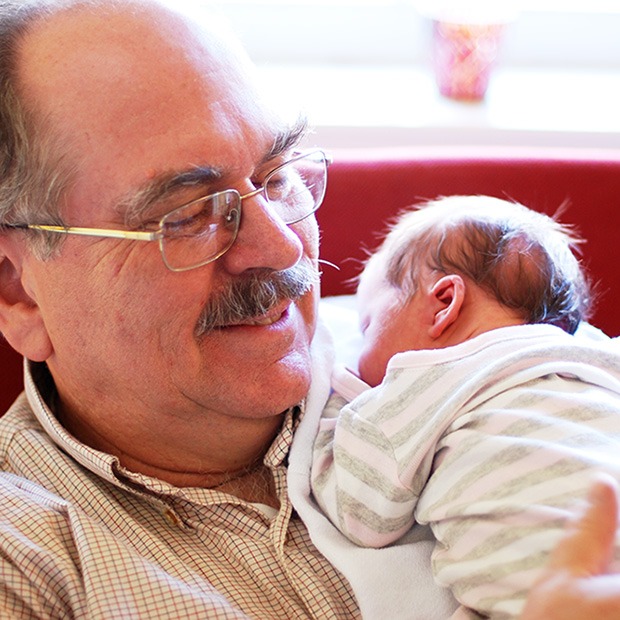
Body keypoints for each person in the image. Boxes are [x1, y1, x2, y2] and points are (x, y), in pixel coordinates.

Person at [0, 1, 617, 617]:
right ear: (18, 289)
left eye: (277, 177)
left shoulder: (436, 343)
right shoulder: (26, 558)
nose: (283, 245)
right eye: (188, 214)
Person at [309, 195, 620, 617]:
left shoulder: (423, 381)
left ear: (444, 303)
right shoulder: (594, 359)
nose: (360, 344)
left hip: (551, 590)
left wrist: (335, 394)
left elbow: (361, 514)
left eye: (366, 325)